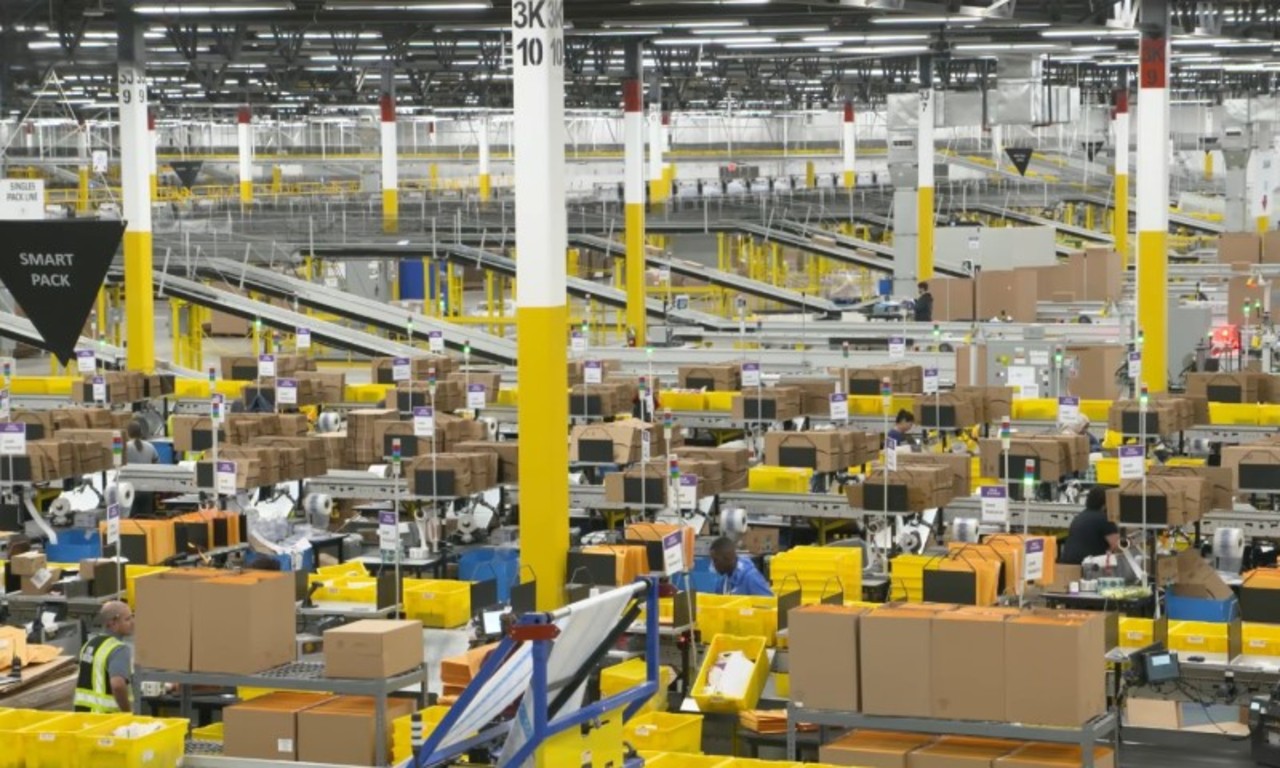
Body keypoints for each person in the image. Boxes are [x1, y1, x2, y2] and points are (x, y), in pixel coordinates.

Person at [75, 601, 134, 713]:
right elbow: (117, 685)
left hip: (83, 716)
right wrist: (127, 712)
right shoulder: (119, 649)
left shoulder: (89, 644)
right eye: (127, 619)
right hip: (106, 717)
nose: (132, 622)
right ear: (113, 623)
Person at [1060, 487, 1121, 566]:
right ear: (1106, 503)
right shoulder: (1104, 519)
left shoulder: (1080, 516)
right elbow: (1117, 546)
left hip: (1067, 562)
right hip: (1088, 565)